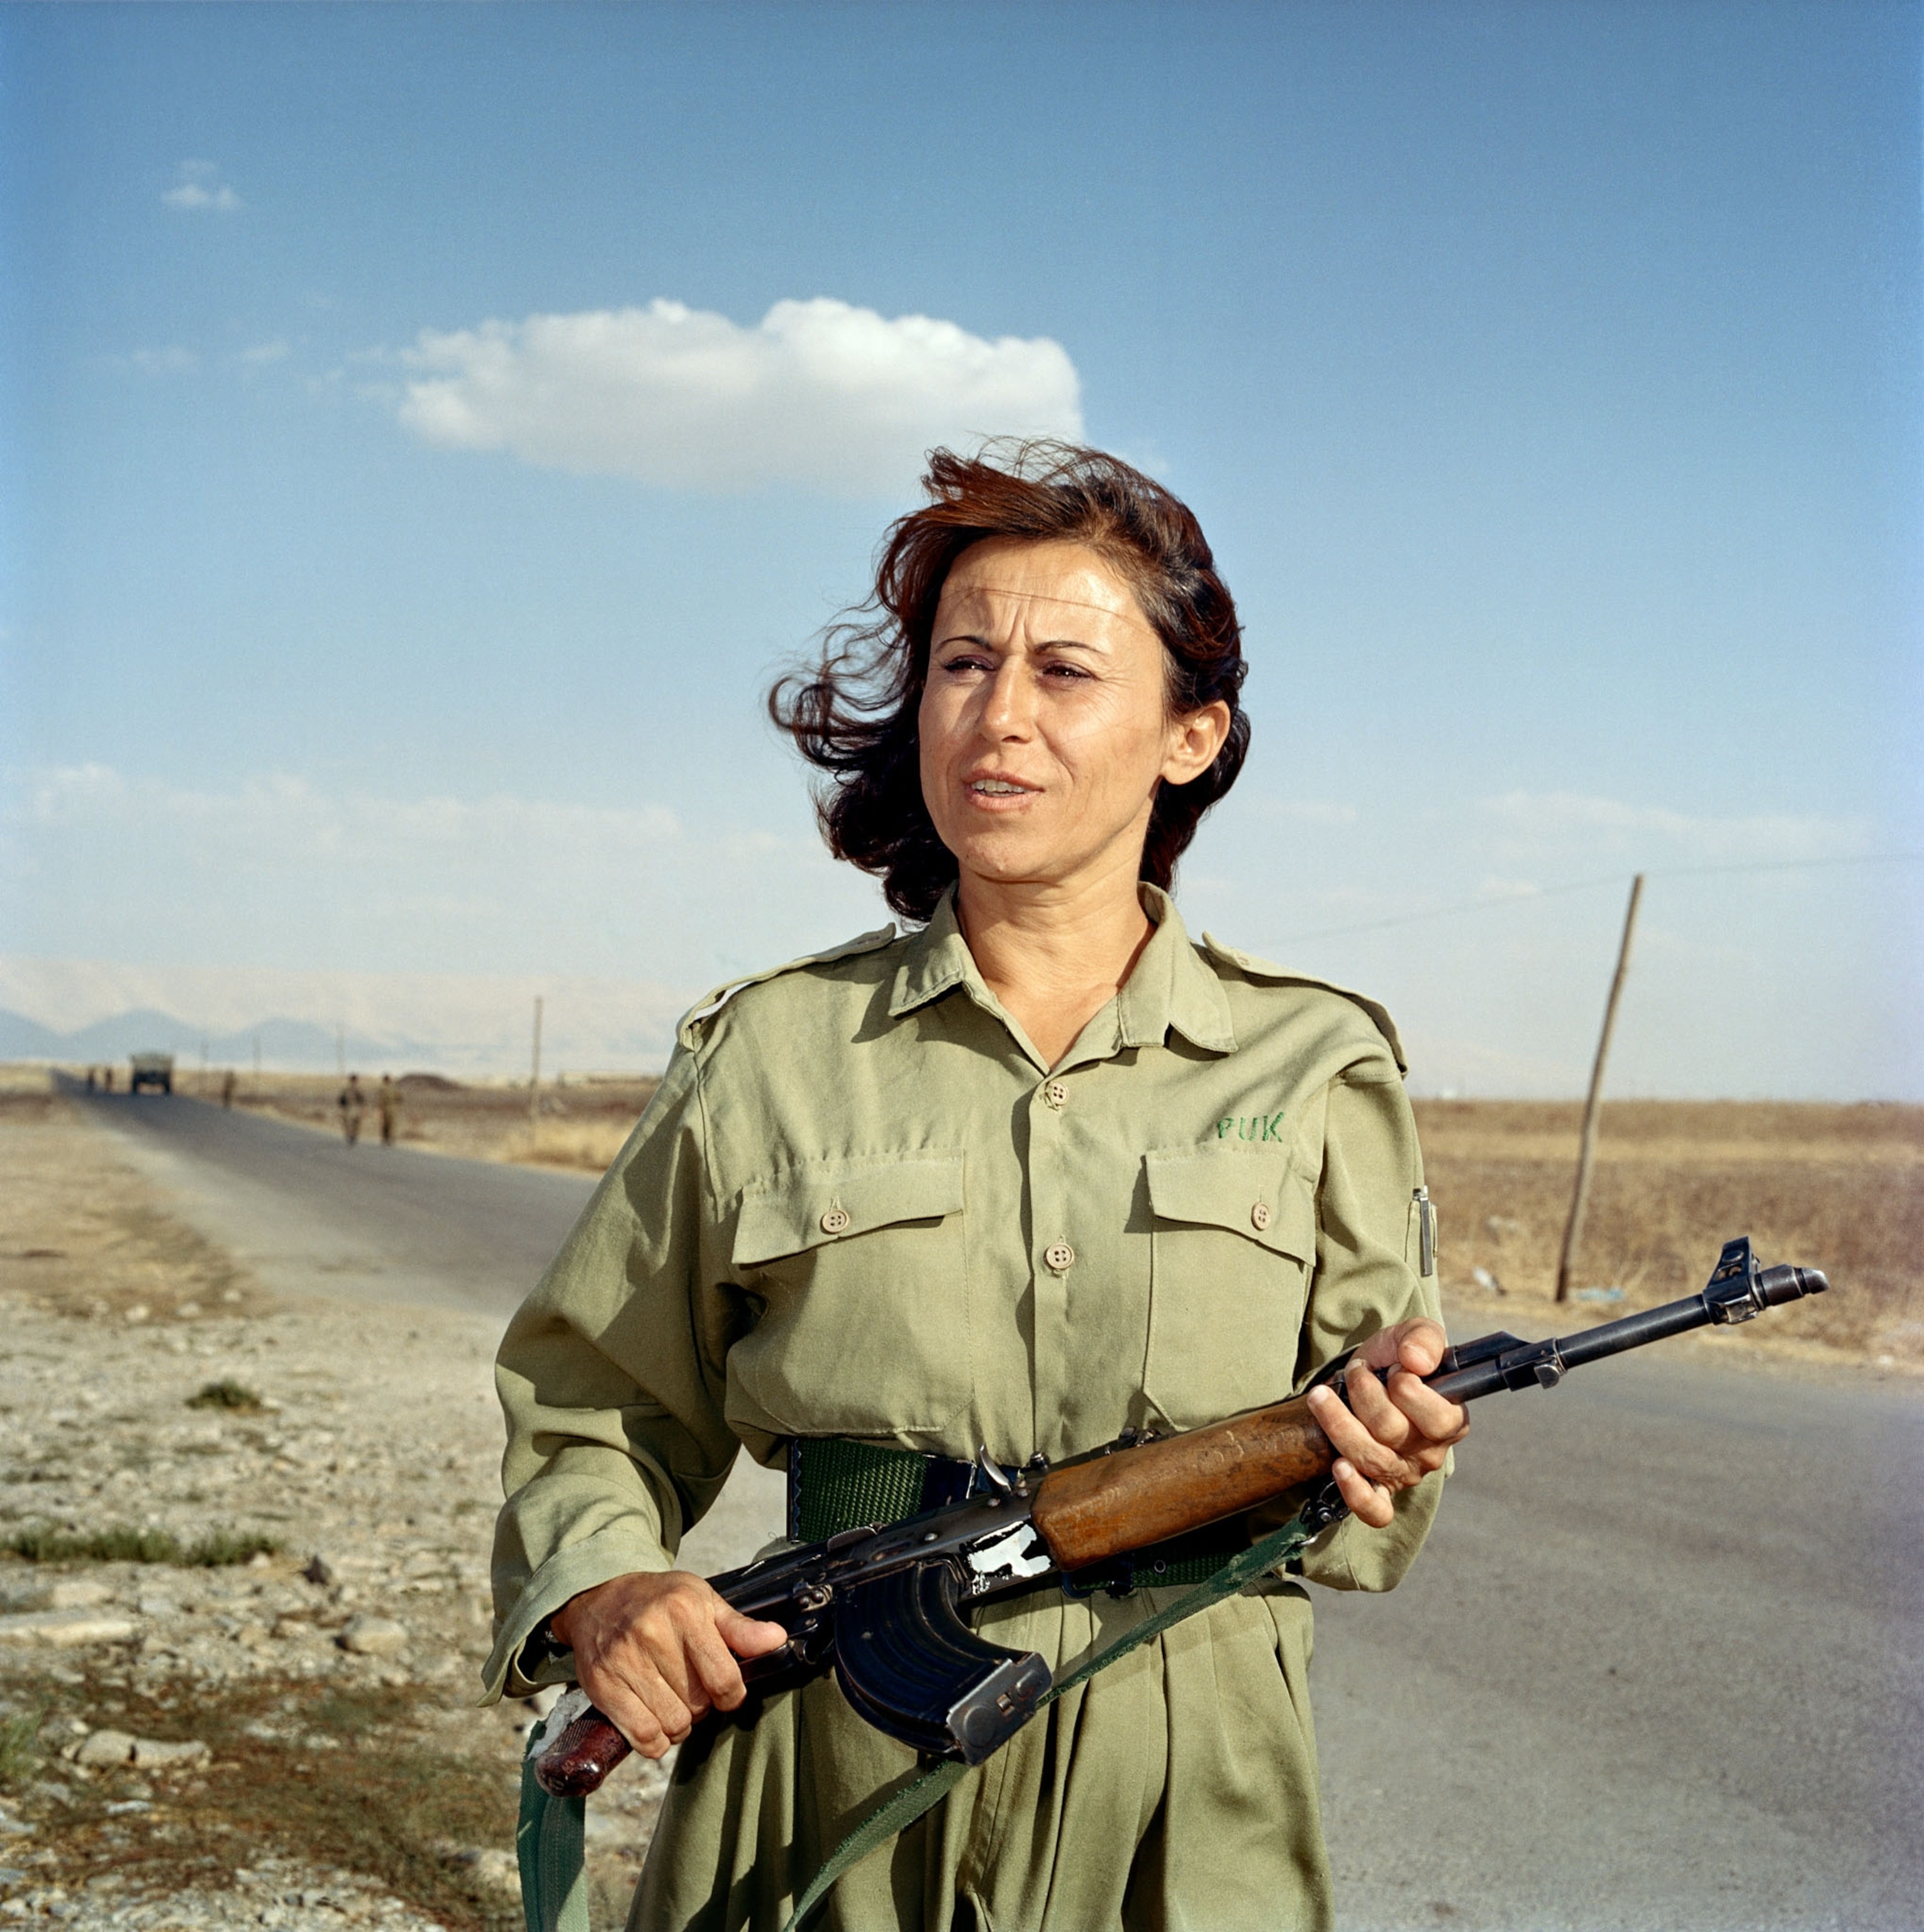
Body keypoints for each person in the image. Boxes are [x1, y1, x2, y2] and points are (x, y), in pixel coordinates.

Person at [487, 444, 1468, 1931]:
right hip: (825, 1762)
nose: (997, 714)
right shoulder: (775, 1050)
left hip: (1183, 1795)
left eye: (1065, 668)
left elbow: (1374, 1508)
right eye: (962, 662)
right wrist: (606, 1586)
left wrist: (1391, 1438)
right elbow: (596, 1397)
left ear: (1188, 733)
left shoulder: (1316, 1060)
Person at [337, 1074, 366, 1146]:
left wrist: (363, 1109)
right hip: (350, 1109)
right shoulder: (347, 1090)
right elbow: (342, 1100)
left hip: (355, 1108)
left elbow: (363, 1101)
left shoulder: (359, 1090)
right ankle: (351, 1136)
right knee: (349, 1124)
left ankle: (353, 1136)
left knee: (355, 1124)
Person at [377, 1074, 401, 1147]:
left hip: (386, 1109)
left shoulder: (383, 1089)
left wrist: (380, 1110)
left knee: (385, 1124)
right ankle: (392, 1138)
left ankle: (385, 1139)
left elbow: (381, 1100)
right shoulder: (394, 1089)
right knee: (393, 1124)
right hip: (394, 1109)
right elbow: (399, 1098)